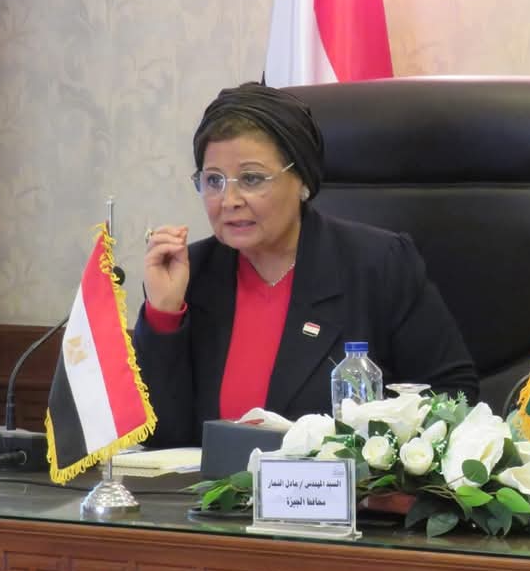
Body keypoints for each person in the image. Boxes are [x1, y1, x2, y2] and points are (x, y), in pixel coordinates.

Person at [135, 82, 478, 447]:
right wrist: (164, 314)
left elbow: (453, 397)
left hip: (351, 483)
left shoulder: (378, 265)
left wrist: (381, 458)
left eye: (251, 179)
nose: (228, 200)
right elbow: (160, 437)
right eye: (214, 180)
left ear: (302, 181)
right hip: (210, 486)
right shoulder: (191, 275)